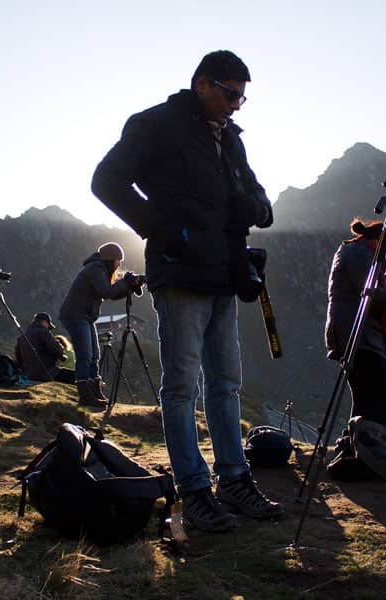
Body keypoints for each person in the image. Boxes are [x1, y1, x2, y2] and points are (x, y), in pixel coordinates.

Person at [91, 50, 282, 532]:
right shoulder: (156, 124)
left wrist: (253, 209)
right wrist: (162, 231)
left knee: (225, 384)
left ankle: (234, 481)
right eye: (229, 92)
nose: (236, 104)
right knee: (181, 388)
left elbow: (262, 200)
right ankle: (194, 490)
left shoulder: (232, 139)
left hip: (225, 274)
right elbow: (106, 181)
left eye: (243, 96)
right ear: (202, 82)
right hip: (180, 274)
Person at [324, 218, 386, 427]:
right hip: (356, 334)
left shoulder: (358, 252)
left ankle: (354, 449)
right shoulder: (359, 253)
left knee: (366, 394)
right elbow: (368, 291)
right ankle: (367, 446)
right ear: (380, 240)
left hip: (356, 333)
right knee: (379, 390)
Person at [58, 242, 138, 407]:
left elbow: (111, 294)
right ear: (111, 259)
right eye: (118, 260)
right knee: (85, 355)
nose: (119, 264)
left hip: (84, 316)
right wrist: (125, 282)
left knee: (94, 355)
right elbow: (107, 292)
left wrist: (129, 285)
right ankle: (85, 395)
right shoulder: (95, 268)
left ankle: (94, 392)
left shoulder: (100, 269)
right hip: (75, 315)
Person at [15, 312, 75, 384]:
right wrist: (61, 356)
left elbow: (18, 357)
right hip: (48, 372)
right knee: (77, 376)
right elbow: (56, 348)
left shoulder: (22, 336)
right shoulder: (43, 331)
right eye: (48, 326)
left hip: (29, 374)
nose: (48, 329)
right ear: (44, 322)